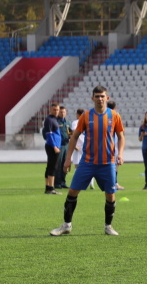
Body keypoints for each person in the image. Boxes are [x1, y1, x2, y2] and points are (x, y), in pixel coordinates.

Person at [50, 86, 125, 236]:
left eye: (102, 96)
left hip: (107, 162)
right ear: (92, 98)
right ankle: (66, 225)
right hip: (88, 162)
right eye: (97, 96)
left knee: (110, 194)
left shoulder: (114, 116)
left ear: (107, 98)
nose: (100, 99)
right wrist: (68, 159)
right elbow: (75, 137)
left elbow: (121, 136)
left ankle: (108, 226)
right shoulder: (86, 116)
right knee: (72, 191)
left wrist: (120, 153)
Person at [70, 109, 93, 190]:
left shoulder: (76, 122)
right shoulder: (87, 121)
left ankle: (78, 183)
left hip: (81, 146)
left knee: (78, 165)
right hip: (84, 146)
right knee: (88, 164)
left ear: (77, 114)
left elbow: (73, 134)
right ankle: (90, 184)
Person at [42, 103, 62, 195]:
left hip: (53, 146)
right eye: (54, 109)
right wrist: (54, 146)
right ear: (50, 110)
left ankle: (48, 187)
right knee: (53, 167)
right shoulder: (49, 120)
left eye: (57, 109)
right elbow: (48, 134)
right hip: (52, 146)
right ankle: (51, 188)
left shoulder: (54, 119)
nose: (56, 111)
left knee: (50, 166)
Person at [107, 100, 125, 191]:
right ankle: (114, 183)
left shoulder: (104, 114)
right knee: (115, 164)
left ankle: (113, 183)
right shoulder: (116, 115)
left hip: (107, 143)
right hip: (115, 143)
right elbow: (121, 131)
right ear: (115, 107)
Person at [53, 106, 71, 189]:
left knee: (65, 164)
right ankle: (57, 183)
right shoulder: (56, 122)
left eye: (64, 112)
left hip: (66, 145)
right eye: (61, 112)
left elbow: (71, 133)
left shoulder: (67, 123)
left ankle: (63, 182)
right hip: (59, 146)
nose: (62, 113)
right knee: (58, 164)